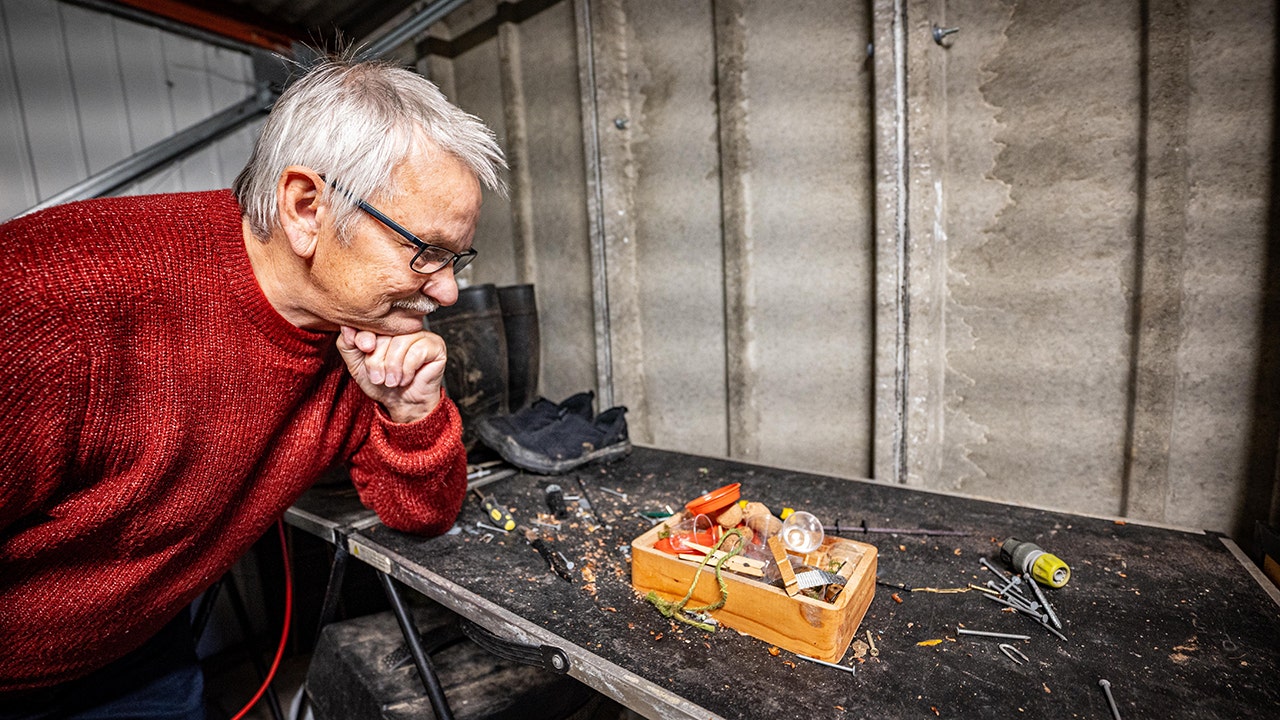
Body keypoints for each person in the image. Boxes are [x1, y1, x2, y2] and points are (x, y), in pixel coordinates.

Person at [0, 55, 506, 718]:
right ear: (304, 208)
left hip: (141, 649)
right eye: (426, 251)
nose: (448, 289)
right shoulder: (49, 304)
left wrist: (411, 411)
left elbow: (423, 514)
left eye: (456, 258)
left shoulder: (357, 332)